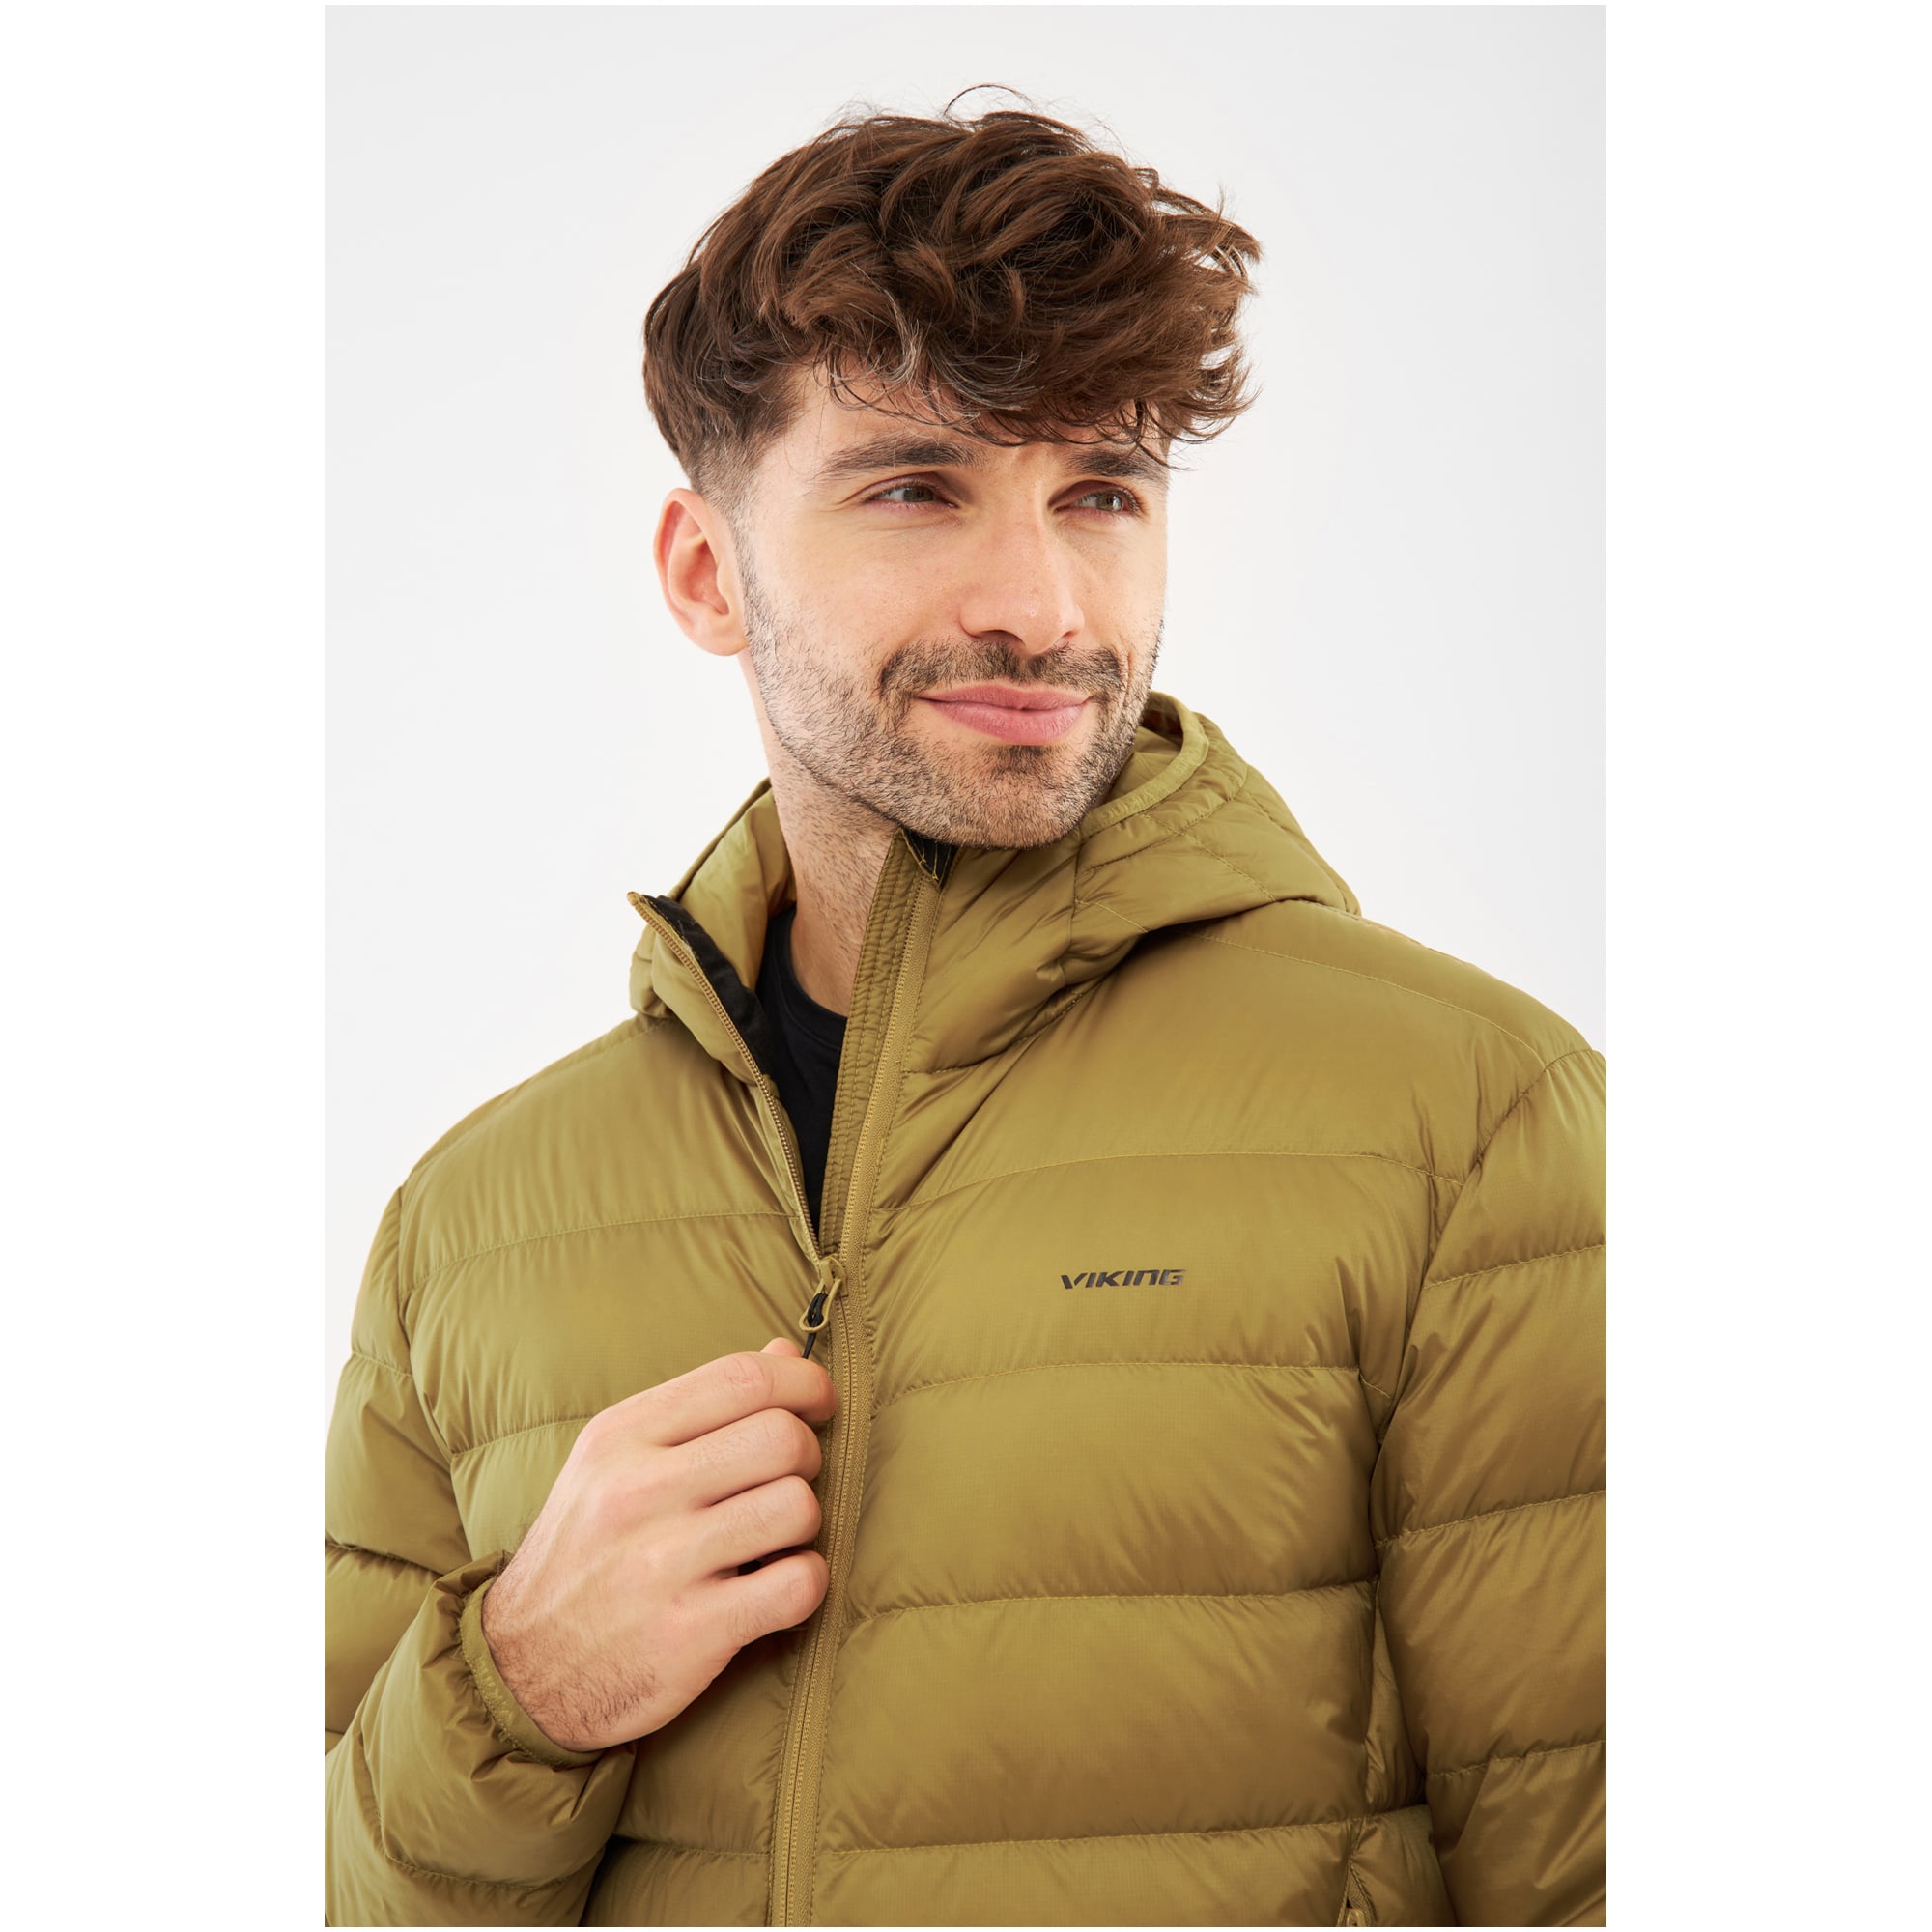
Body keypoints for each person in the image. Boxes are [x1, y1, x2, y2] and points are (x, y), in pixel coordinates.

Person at [324, 98, 1605, 1928]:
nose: (1041, 604)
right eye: (916, 487)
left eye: (1102, 492)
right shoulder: (473, 1223)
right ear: (705, 571)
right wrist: (514, 1691)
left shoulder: (1470, 1119)